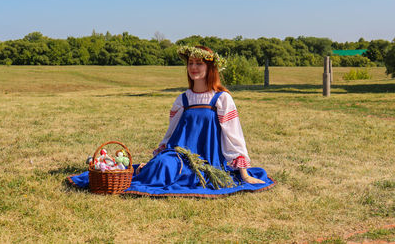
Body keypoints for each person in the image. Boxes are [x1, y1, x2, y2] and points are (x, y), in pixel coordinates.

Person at [68, 46, 275, 197]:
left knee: (169, 172)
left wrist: (244, 174)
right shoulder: (183, 99)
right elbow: (172, 133)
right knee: (162, 165)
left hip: (205, 160)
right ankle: (116, 177)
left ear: (210, 67)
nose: (193, 67)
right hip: (176, 154)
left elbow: (233, 136)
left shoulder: (221, 99)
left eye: (199, 63)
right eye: (190, 63)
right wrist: (159, 152)